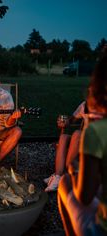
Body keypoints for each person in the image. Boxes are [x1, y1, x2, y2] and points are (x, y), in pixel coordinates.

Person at [57, 54, 107, 235]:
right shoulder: (84, 107)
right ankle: (57, 173)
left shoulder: (98, 131)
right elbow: (71, 119)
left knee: (65, 183)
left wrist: (75, 170)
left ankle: (61, 175)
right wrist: (65, 122)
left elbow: (84, 197)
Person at [44, 101, 88, 192]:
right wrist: (64, 122)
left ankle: (66, 174)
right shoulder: (85, 105)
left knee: (77, 134)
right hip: (83, 139)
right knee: (64, 137)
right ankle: (58, 176)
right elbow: (71, 120)